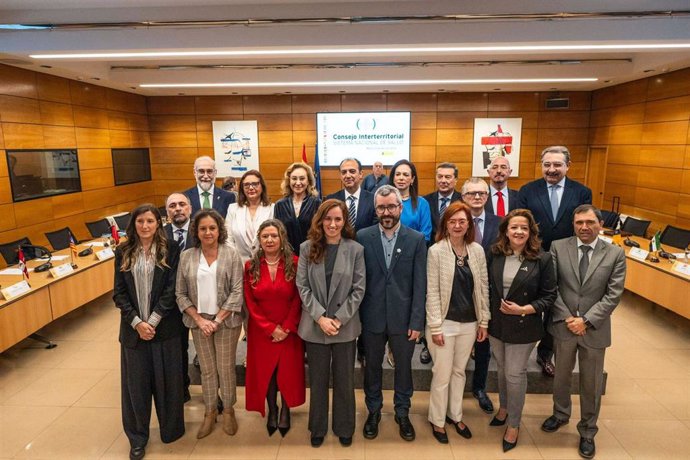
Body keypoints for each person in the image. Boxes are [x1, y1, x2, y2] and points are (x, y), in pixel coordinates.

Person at [541, 205, 626, 459]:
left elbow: (613, 295)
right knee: (561, 376)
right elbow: (551, 286)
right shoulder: (558, 246)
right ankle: (560, 414)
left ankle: (588, 430)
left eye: (590, 222)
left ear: (600, 223)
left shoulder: (615, 254)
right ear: (573, 224)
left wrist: (586, 321)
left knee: (591, 382)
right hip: (563, 324)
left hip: (594, 329)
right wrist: (568, 317)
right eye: (579, 223)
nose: (584, 227)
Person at [113, 204, 184, 460]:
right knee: (136, 388)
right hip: (134, 333)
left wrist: (152, 322)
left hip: (164, 329)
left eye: (150, 221)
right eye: (140, 221)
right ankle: (137, 438)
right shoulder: (123, 251)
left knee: (168, 383)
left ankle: (171, 430)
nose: (145, 226)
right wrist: (137, 323)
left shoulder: (171, 250)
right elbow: (118, 293)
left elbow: (171, 290)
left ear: (158, 223)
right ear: (134, 224)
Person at [358, 185, 427, 442]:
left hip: (404, 320)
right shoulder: (362, 237)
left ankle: (402, 412)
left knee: (404, 370)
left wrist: (417, 321)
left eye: (391, 206)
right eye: (381, 207)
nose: (386, 212)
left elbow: (420, 285)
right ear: (375, 209)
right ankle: (373, 411)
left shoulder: (417, 239)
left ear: (400, 207)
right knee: (372, 368)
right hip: (371, 319)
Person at [517, 145, 592, 377]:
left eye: (557, 164)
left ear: (568, 166)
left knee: (558, 306)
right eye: (547, 164)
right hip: (534, 257)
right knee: (532, 303)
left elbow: (584, 225)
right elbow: (522, 223)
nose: (551, 169)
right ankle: (522, 348)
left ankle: (545, 352)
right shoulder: (528, 190)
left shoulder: (581, 192)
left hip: (567, 259)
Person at [486, 209, 557, 452]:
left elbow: (549, 296)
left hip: (524, 325)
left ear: (531, 233)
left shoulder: (542, 259)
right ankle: (504, 408)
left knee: (515, 374)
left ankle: (514, 424)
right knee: (504, 370)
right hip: (497, 325)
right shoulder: (495, 254)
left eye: (524, 228)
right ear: (506, 230)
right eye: (514, 227)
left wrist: (525, 309)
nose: (518, 232)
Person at [296, 199, 366, 447]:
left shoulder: (355, 249)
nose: (333, 224)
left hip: (344, 326)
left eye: (338, 219)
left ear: (344, 221)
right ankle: (317, 427)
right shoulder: (307, 248)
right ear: (320, 220)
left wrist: (337, 319)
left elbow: (359, 290)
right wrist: (320, 317)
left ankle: (344, 426)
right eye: (328, 219)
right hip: (315, 326)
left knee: (345, 379)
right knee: (317, 380)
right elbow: (302, 287)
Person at [176, 209, 244, 439]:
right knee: (207, 370)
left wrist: (216, 320)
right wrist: (199, 319)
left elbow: (237, 291)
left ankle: (228, 410)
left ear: (219, 230)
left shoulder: (231, 254)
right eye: (203, 228)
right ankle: (209, 411)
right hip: (199, 323)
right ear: (196, 231)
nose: (208, 232)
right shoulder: (187, 256)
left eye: (212, 228)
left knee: (225, 368)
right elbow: (180, 293)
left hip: (226, 321)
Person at [425, 201, 490, 444]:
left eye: (462, 221)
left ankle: (455, 415)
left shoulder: (477, 251)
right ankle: (437, 420)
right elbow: (431, 291)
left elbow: (483, 288)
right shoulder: (436, 251)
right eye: (452, 221)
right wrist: (435, 326)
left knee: (459, 372)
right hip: (445, 322)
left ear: (469, 224)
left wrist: (484, 321)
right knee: (441, 374)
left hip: (469, 323)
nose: (457, 225)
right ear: (445, 224)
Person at [244, 219, 305, 437]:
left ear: (282, 238)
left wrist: (287, 327)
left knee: (287, 371)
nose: (270, 240)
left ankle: (286, 410)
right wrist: (270, 328)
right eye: (265, 236)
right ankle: (272, 410)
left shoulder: (296, 263)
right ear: (259, 240)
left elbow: (300, 298)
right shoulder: (250, 266)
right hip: (262, 331)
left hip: (290, 329)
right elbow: (250, 301)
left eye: (274, 236)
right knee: (267, 373)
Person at [461, 177, 500, 413]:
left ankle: (479, 388)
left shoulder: (501, 222)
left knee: (483, 344)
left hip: (488, 292)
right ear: (463, 197)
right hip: (458, 292)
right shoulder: (454, 222)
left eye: (481, 193)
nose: (477, 197)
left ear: (487, 197)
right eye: (471, 194)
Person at [164, 192, 194, 402]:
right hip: (169, 302)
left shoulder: (202, 229)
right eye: (172, 206)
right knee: (177, 346)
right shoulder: (159, 233)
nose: (178, 209)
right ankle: (181, 388)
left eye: (182, 204)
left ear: (190, 208)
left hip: (200, 300)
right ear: (167, 212)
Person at [225, 170, 274, 264]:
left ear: (262, 186)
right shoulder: (233, 209)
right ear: (242, 188)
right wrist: (235, 260)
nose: (251, 188)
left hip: (266, 263)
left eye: (255, 184)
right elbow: (228, 238)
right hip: (239, 264)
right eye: (246, 185)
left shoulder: (272, 208)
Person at [274, 162, 322, 256]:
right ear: (289, 181)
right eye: (294, 178)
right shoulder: (280, 205)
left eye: (302, 178)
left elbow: (319, 233)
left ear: (308, 181)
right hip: (287, 257)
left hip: (311, 255)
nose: (298, 182)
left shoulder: (317, 203)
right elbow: (278, 233)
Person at [325, 158, 377, 232]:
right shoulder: (331, 199)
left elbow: (375, 229)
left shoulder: (373, 199)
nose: (348, 176)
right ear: (340, 175)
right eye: (344, 172)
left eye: (352, 171)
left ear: (361, 174)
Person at [389, 159, 432, 242]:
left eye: (405, 175)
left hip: (414, 250)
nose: (401, 178)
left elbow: (425, 235)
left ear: (412, 179)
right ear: (393, 178)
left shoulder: (422, 203)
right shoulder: (385, 202)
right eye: (398, 174)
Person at [424, 162, 463, 239]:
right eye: (440, 177)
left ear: (456, 180)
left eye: (447, 177)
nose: (443, 180)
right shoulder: (425, 201)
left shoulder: (463, 201)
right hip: (431, 247)